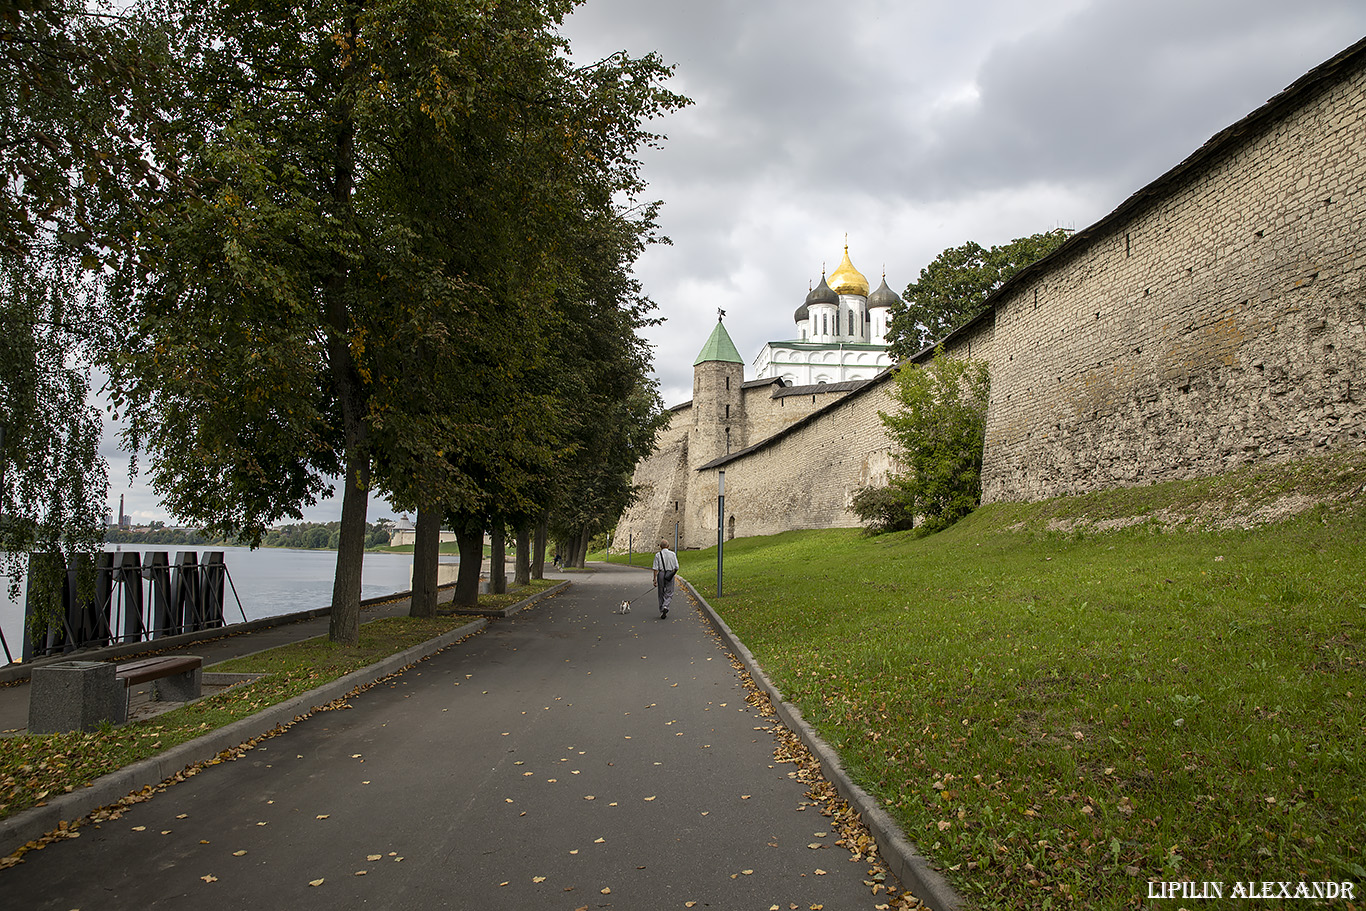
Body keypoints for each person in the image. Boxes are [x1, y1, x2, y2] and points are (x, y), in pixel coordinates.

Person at [652, 539, 679, 619]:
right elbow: (676, 567)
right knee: (669, 591)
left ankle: (661, 608)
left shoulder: (658, 555)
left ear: (660, 546)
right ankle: (666, 606)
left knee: (661, 592)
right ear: (668, 546)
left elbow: (655, 568)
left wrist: (654, 579)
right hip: (669, 574)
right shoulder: (673, 554)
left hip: (661, 574)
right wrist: (672, 574)